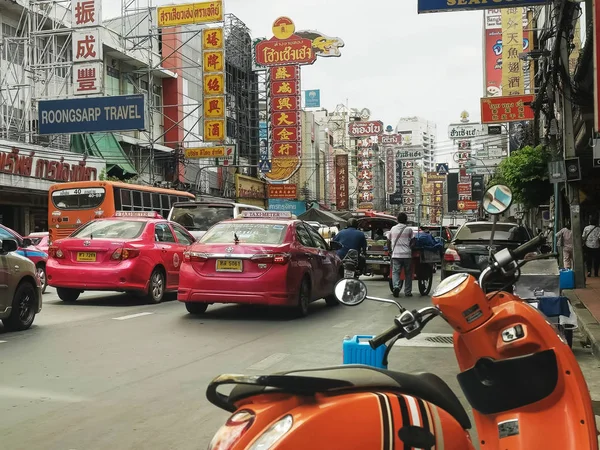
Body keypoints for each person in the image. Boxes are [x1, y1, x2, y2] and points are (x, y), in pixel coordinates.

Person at [388, 212, 414, 298]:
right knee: (408, 274)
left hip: (396, 255)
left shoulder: (392, 229)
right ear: (406, 220)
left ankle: (396, 287)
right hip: (407, 255)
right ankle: (408, 292)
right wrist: (410, 247)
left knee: (395, 272)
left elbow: (388, 240)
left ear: (397, 220)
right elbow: (413, 241)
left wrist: (390, 250)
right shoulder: (409, 230)